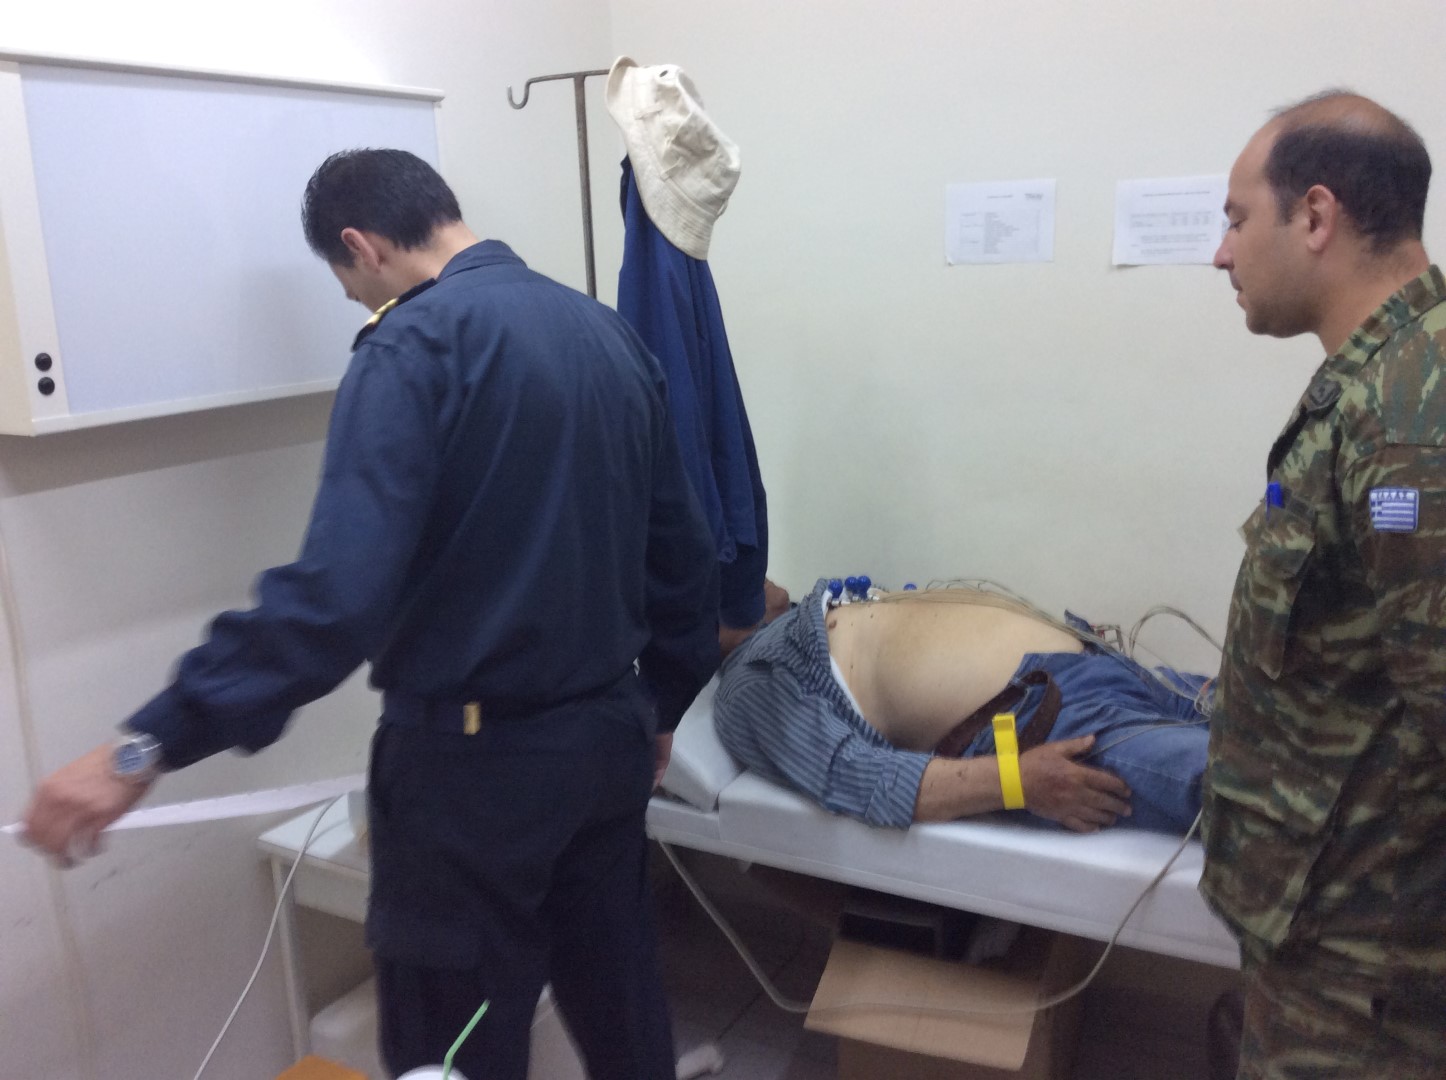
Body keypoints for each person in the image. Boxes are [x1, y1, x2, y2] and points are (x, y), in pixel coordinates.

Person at [19, 149, 720, 1080]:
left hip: (471, 779)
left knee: (455, 1046)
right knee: (619, 1001)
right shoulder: (605, 334)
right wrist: (660, 707)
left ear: (361, 245)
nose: (357, 301)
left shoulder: (411, 346)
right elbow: (685, 557)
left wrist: (144, 746)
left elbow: (331, 603)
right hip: (605, 743)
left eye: (348, 284)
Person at [1202, 90, 1446, 1079]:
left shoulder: (1411, 419)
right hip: (1325, 928)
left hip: (1369, 971)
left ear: (1314, 216)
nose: (1221, 254)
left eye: (1236, 219)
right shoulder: (1381, 380)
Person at [713, 578, 1211, 835]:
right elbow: (863, 778)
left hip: (1101, 666)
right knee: (1240, 785)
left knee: (1260, 713)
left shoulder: (813, 606)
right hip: (1051, 724)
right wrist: (1017, 781)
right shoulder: (750, 682)